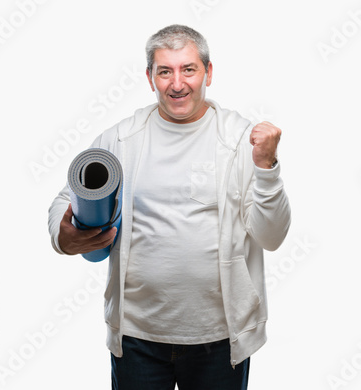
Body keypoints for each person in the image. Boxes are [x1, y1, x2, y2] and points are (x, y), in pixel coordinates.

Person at [48, 24, 291, 390]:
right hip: (137, 336)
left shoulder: (241, 139)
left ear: (208, 72)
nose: (177, 84)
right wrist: (62, 237)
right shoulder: (122, 138)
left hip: (220, 337)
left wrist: (267, 167)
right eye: (165, 71)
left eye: (188, 69)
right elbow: (66, 197)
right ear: (150, 78)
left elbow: (272, 237)